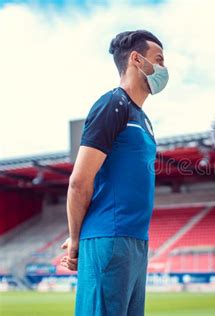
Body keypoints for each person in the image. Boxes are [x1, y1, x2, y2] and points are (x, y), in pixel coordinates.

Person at [59, 30, 168, 316]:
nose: (164, 69)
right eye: (159, 60)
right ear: (136, 59)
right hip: (109, 238)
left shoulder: (143, 119)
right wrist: (75, 240)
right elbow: (79, 182)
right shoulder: (113, 104)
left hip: (136, 241)